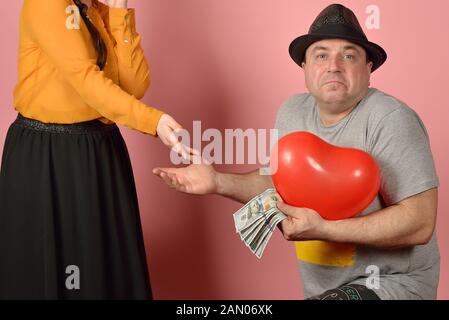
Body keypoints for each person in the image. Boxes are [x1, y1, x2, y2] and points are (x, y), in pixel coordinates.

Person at [153, 4, 440, 300]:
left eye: (349, 55)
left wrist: (325, 229)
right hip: (324, 291)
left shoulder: (390, 119)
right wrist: (217, 181)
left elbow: (419, 224)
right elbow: (278, 183)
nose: (334, 65)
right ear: (304, 67)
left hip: (392, 285)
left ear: (368, 69)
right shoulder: (292, 112)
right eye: (321, 55)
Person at [0, 0, 192, 299]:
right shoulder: (48, 4)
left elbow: (133, 86)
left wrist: (118, 15)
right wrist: (153, 121)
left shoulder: (95, 11)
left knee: (102, 271)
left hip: (99, 148)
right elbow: (85, 79)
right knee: (59, 274)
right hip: (50, 152)